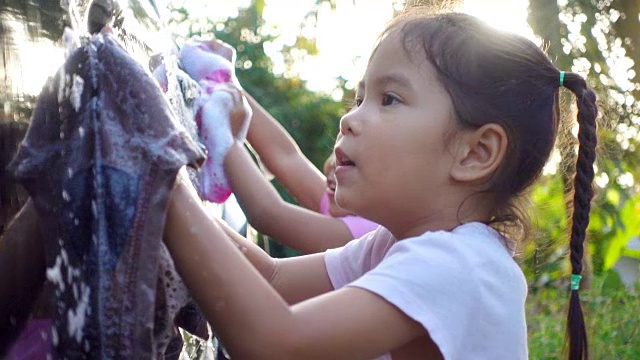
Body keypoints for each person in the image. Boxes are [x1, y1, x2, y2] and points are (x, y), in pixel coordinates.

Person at [163, 8, 598, 360]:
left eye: (389, 99)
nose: (349, 118)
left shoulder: (463, 264)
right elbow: (272, 278)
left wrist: (162, 175)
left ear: (475, 153)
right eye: (359, 98)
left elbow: (275, 343)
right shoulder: (392, 245)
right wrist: (178, 177)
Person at [227, 90, 378, 253]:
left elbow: (269, 215)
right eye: (336, 151)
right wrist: (225, 81)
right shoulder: (348, 203)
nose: (332, 165)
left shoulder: (370, 233)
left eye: (349, 161)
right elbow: (286, 157)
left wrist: (225, 139)